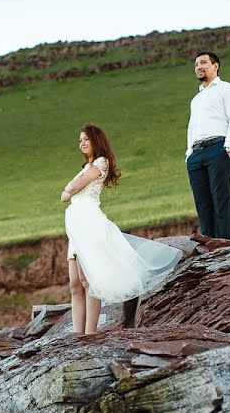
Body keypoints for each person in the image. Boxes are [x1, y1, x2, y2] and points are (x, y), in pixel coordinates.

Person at [61, 124, 182, 334]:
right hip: (76, 226)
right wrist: (69, 191)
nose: (81, 143)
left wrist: (68, 190)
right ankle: (76, 333)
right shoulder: (85, 166)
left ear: (96, 141)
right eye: (80, 140)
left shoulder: (101, 162)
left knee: (87, 280)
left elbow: (74, 187)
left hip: (89, 222)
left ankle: (89, 334)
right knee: (74, 283)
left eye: (86, 139)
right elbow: (73, 188)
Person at [185, 51, 230, 239]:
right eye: (196, 65)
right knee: (202, 201)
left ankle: (222, 242)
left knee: (220, 197)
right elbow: (192, 127)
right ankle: (208, 240)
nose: (198, 67)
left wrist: (229, 145)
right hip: (196, 154)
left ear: (215, 66)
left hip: (218, 148)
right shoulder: (196, 99)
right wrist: (188, 154)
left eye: (203, 62)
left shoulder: (228, 89)